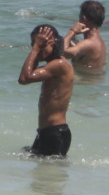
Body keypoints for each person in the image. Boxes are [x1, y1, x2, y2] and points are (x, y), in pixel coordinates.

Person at [17, 24, 74, 157]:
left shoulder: (60, 65)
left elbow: (24, 78)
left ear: (52, 43)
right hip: (48, 132)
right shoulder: (53, 66)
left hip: (55, 134)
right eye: (34, 43)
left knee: (48, 176)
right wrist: (38, 49)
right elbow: (28, 75)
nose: (36, 47)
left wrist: (36, 50)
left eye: (41, 44)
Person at [63, 0, 107, 68]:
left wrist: (72, 31)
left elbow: (63, 52)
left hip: (83, 78)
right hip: (95, 77)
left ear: (84, 18)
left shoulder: (88, 43)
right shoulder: (100, 41)